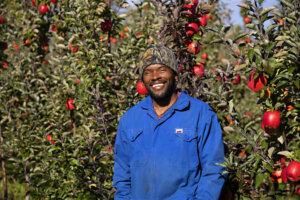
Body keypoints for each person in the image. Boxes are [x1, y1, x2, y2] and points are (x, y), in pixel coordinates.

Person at [113, 45, 226, 200]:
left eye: (161, 69)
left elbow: (214, 169)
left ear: (174, 74)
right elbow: (122, 174)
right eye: (147, 72)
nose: (154, 76)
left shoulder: (200, 114)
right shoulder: (130, 120)